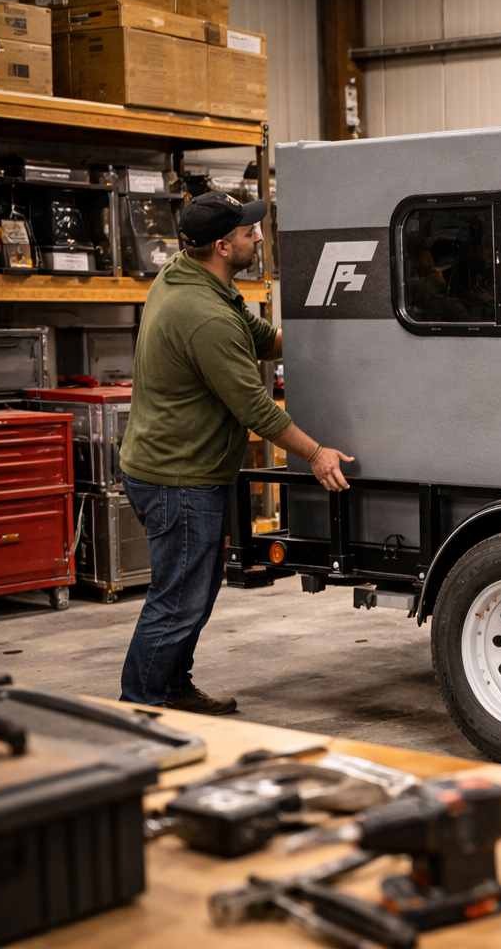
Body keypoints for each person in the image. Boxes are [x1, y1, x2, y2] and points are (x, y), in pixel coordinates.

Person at [119, 192, 355, 715]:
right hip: (177, 478)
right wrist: (316, 453)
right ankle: (140, 708)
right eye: (250, 232)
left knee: (193, 596)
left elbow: (264, 340)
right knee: (179, 600)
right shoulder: (204, 315)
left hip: (178, 470)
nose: (258, 237)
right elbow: (257, 410)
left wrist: (350, 334)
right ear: (223, 245)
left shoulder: (192, 278)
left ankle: (172, 688)